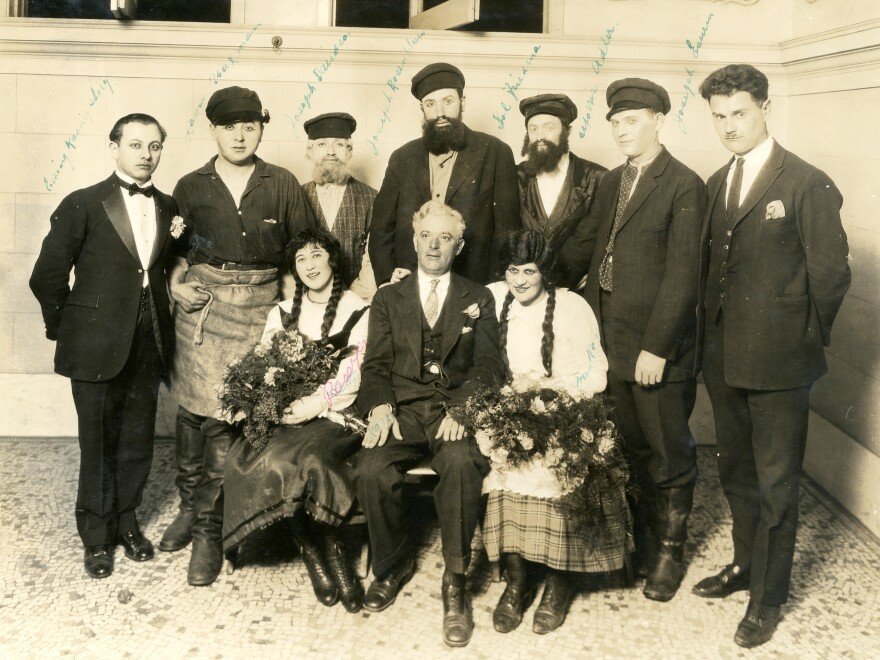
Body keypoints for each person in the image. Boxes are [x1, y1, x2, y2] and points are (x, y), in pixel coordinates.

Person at [693, 64, 851, 648]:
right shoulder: (716, 182)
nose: (730, 126)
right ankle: (744, 566)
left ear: (764, 108)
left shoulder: (807, 183)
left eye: (739, 113)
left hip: (782, 366)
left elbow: (832, 276)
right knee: (735, 472)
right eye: (719, 116)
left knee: (777, 483)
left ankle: (769, 597)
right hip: (725, 361)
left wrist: (801, 340)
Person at [164, 86, 315, 587]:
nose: (240, 135)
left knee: (234, 417)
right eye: (230, 127)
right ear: (214, 130)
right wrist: (175, 281)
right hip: (204, 307)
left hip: (260, 306)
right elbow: (178, 254)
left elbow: (303, 249)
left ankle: (216, 526)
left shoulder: (282, 182)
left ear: (261, 129)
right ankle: (193, 512)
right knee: (195, 409)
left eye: (249, 126)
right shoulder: (189, 185)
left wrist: (291, 305)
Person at [29, 114, 177, 579]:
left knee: (136, 442)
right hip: (94, 347)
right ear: (113, 148)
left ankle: (127, 522)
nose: (146, 155)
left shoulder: (170, 207)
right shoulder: (83, 203)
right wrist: (68, 328)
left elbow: (161, 271)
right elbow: (47, 277)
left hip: (148, 345)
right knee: (96, 445)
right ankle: (96, 538)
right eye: (136, 145)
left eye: (154, 146)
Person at [355, 201, 503, 647]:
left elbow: (488, 365)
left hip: (452, 411)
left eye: (445, 238)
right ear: (414, 240)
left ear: (459, 246)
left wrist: (464, 410)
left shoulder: (479, 296)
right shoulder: (388, 297)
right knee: (370, 469)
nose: (434, 245)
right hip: (401, 409)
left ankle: (455, 582)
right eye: (426, 236)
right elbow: (375, 364)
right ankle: (391, 565)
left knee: (461, 466)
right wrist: (380, 407)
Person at [584, 78, 706, 602]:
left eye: (632, 119)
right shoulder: (612, 181)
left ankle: (670, 551)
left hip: (656, 350)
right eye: (615, 121)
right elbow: (595, 253)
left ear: (659, 120)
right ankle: (640, 542)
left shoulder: (684, 184)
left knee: (667, 450)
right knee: (630, 446)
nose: (621, 129)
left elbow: (683, 277)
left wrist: (656, 347)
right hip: (611, 341)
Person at [483, 229, 630, 635]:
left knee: (558, 467)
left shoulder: (570, 306)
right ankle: (516, 581)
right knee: (505, 461)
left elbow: (592, 369)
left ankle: (558, 583)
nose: (519, 280)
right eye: (512, 270)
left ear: (544, 271)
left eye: (528, 270)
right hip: (514, 409)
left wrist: (554, 391)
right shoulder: (496, 299)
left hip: (568, 408)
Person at [222, 228, 369, 612]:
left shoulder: (359, 309)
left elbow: (352, 373)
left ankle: (334, 550)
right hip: (286, 413)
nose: (309, 266)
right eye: (300, 260)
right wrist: (277, 402)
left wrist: (315, 404)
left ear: (332, 260)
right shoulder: (282, 312)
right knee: (264, 459)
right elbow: (264, 365)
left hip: (335, 412)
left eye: (316, 255)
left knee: (313, 461)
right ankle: (309, 549)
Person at [369, 62, 519, 285]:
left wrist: (494, 291)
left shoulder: (496, 152)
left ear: (462, 103)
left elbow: (508, 234)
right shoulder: (402, 158)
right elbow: (381, 230)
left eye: (448, 101)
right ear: (422, 109)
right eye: (430, 104)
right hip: (410, 286)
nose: (440, 113)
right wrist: (387, 281)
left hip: (474, 287)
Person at [515, 93, 607, 288]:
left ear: (567, 131)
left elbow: (600, 241)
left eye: (549, 127)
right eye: (533, 129)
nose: (539, 136)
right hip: (525, 290)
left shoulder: (598, 178)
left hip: (577, 292)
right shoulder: (516, 176)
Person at [301, 112, 376, 295]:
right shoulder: (296, 195)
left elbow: (372, 260)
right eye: (321, 144)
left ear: (349, 151)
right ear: (309, 151)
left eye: (339, 144)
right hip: (306, 298)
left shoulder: (371, 197)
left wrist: (352, 299)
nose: (331, 152)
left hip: (356, 299)